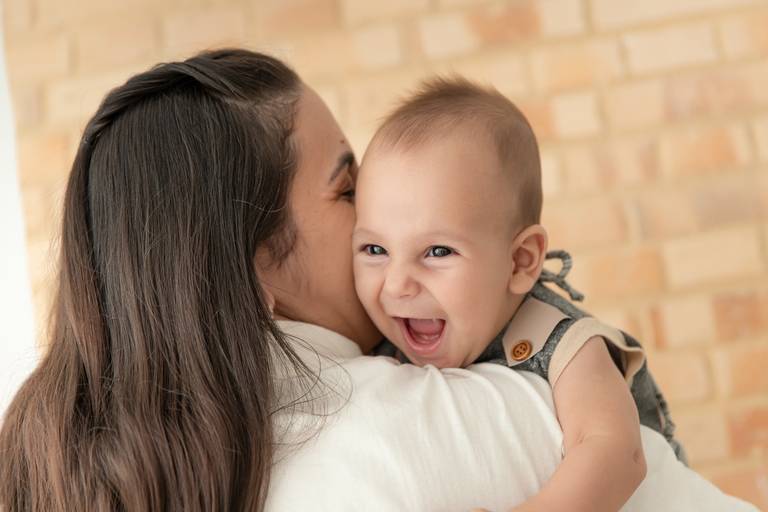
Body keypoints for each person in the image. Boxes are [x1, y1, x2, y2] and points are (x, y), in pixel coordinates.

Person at [0, 49, 756, 512]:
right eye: (347, 188)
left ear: (523, 259)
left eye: (437, 249)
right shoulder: (483, 421)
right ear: (259, 267)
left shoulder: (153, 469)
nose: (380, 215)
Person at [351, 77, 682, 511]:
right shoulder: (377, 346)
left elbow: (617, 453)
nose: (396, 284)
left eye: (437, 251)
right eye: (375, 250)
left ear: (520, 261)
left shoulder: (563, 342)